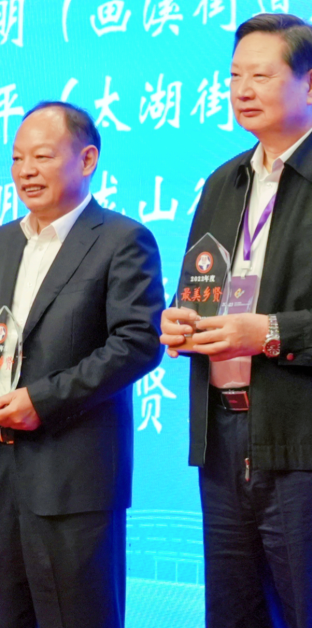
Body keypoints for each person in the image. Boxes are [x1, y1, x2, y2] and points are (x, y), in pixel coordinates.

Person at [159, 13, 312, 627]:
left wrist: (271, 333)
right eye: (234, 77)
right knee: (233, 613)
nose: (242, 90)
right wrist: (182, 323)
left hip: (311, 441)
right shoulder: (224, 182)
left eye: (261, 76)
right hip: (223, 436)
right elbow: (204, 284)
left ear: (311, 83)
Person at [0, 102, 165, 628]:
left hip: (73, 480)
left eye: (42, 157)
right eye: (17, 158)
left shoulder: (121, 240)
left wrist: (42, 401)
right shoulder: (3, 242)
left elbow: (138, 342)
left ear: (88, 159)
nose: (26, 171)